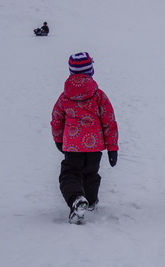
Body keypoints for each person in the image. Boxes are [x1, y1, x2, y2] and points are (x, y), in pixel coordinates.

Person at [51, 52, 119, 224]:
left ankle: (76, 199)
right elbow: (109, 121)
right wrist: (112, 148)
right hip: (94, 146)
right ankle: (90, 201)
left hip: (73, 147)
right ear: (91, 71)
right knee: (91, 174)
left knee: (70, 174)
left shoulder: (65, 96)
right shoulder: (99, 96)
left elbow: (57, 119)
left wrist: (59, 140)